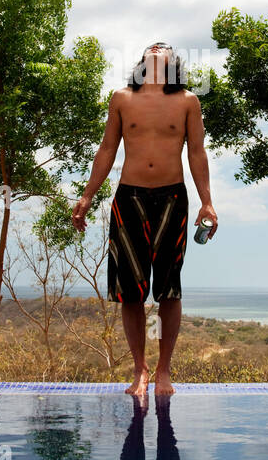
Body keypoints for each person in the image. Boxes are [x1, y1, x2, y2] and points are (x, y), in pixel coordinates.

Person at [71, 42, 217, 396]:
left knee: (168, 289)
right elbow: (107, 148)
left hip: (172, 198)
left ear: (173, 62)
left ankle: (165, 370)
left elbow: (196, 152)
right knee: (130, 292)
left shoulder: (187, 101)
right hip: (129, 198)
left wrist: (207, 202)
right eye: (151, 46)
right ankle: (140, 370)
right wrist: (87, 195)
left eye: (164, 47)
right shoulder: (122, 98)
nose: (157, 47)